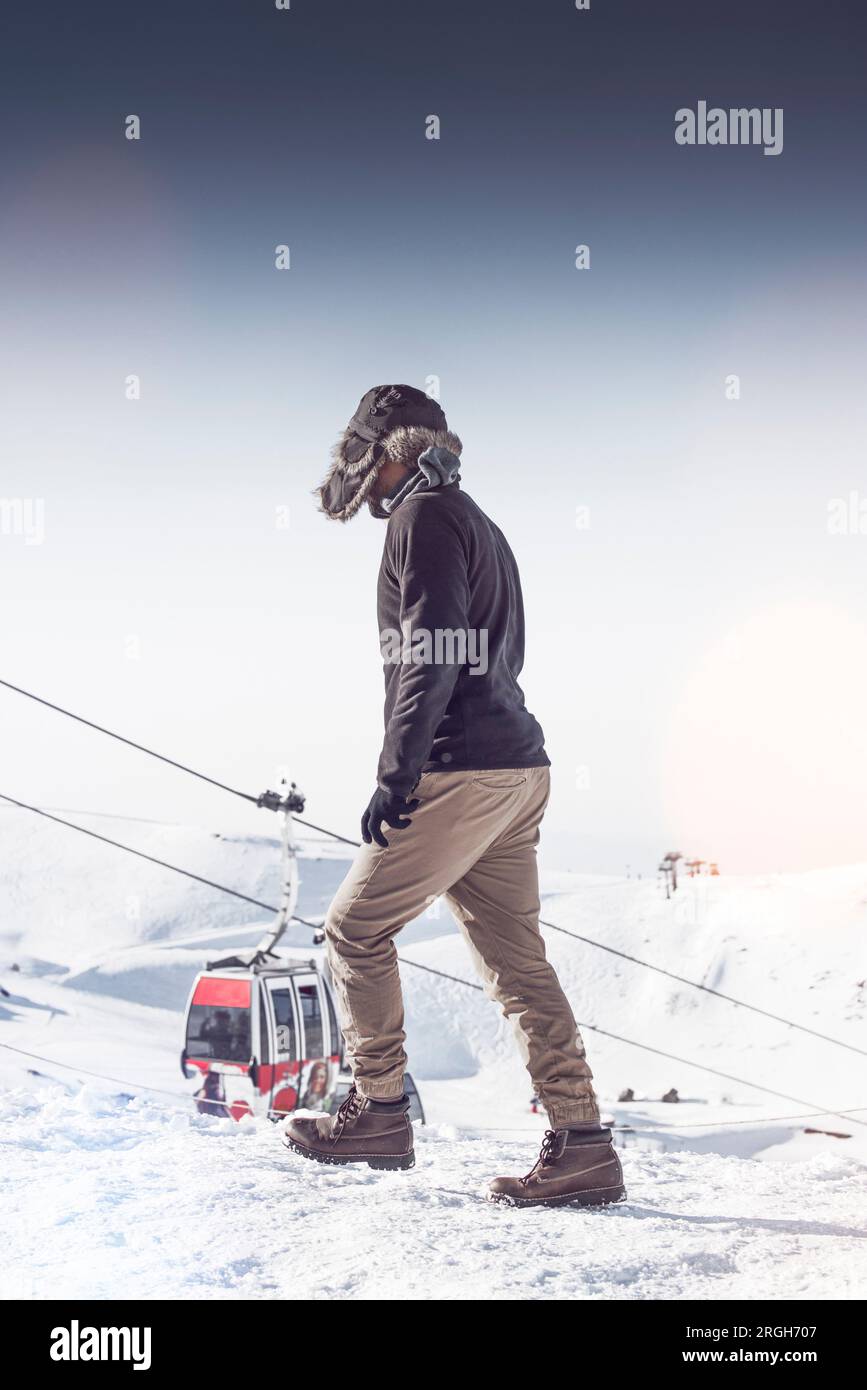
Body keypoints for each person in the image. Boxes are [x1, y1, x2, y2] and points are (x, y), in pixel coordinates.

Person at [284, 385, 625, 1208]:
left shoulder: (423, 517)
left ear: (387, 449)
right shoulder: (477, 519)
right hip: (517, 767)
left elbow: (430, 650)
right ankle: (582, 1144)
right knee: (517, 965)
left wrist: (398, 770)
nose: (355, 473)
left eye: (362, 453)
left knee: (355, 931)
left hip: (461, 768)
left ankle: (379, 1111)